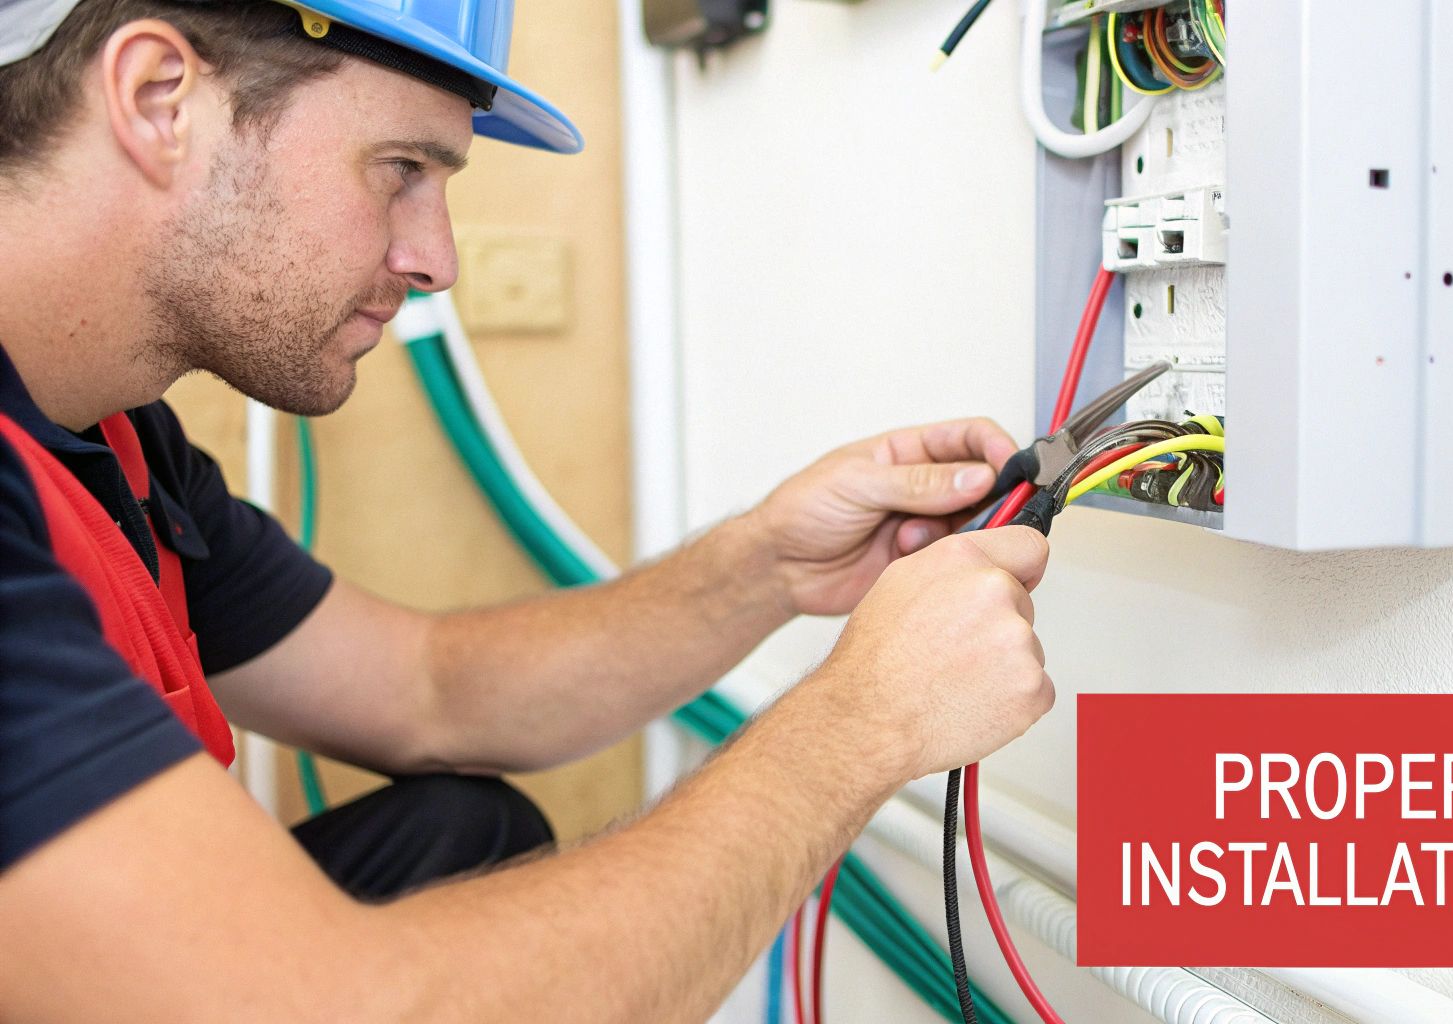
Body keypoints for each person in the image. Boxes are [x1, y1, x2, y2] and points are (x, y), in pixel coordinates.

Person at [0, 0, 1053, 1019]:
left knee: (460, 834)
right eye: (400, 169)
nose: (436, 262)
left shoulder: (114, 439)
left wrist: (769, 564)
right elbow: (322, 1004)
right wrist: (861, 723)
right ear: (159, 99)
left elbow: (429, 692)